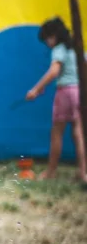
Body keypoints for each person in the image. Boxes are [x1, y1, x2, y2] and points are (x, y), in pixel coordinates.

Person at [26, 17, 87, 183]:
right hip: (79, 92)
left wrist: (36, 89)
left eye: (47, 39)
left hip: (65, 93)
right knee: (78, 132)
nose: (47, 43)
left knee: (57, 132)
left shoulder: (59, 49)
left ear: (53, 35)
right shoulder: (76, 48)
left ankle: (51, 172)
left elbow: (54, 71)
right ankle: (83, 172)